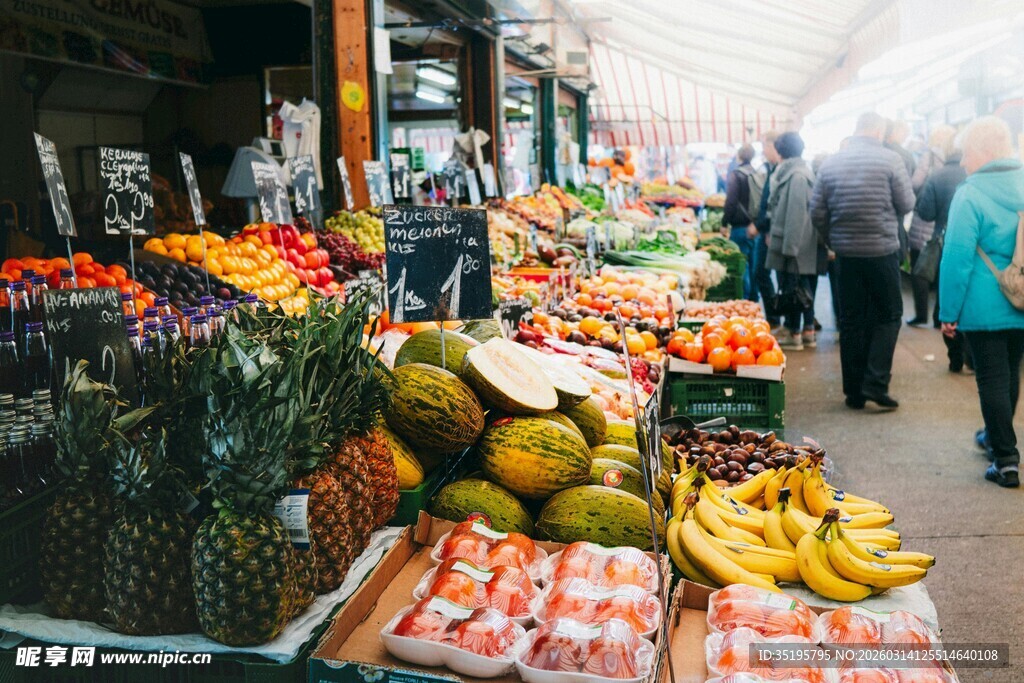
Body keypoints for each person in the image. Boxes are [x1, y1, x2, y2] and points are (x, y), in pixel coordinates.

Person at [938, 116, 1024, 488]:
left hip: (983, 303)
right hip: (1021, 299)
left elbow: (956, 257)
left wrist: (948, 312)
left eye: (967, 153)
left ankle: (1005, 459)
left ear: (984, 151)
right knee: (1011, 371)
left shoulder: (970, 193)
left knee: (991, 378)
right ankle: (995, 436)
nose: (962, 162)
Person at [811, 112, 915, 410]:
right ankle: (876, 382)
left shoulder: (831, 163)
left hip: (846, 255)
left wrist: (834, 239)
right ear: (879, 130)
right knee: (889, 314)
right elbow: (907, 203)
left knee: (852, 320)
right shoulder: (890, 160)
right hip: (882, 252)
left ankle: (853, 391)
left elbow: (816, 212)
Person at [916, 135, 968, 370]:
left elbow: (925, 212)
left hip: (945, 240)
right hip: (977, 246)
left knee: (946, 295)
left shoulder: (936, 176)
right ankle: (970, 356)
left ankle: (955, 357)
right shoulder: (974, 175)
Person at [765, 132, 817, 350]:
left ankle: (796, 333)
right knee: (799, 286)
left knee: (794, 287)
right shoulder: (793, 173)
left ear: (779, 150)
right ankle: (804, 332)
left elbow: (796, 215)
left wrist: (790, 249)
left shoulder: (796, 176)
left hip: (795, 244)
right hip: (794, 242)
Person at [907, 125, 958, 326]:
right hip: (948, 226)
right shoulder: (962, 165)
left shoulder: (928, 157)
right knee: (942, 272)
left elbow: (916, 183)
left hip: (926, 224)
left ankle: (921, 314)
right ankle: (939, 316)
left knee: (920, 269)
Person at [722, 144, 759, 300]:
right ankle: (754, 300)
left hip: (739, 228)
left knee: (741, 265)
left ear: (739, 156)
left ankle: (743, 300)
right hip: (755, 227)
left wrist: (724, 223)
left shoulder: (736, 175)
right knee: (754, 265)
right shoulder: (757, 174)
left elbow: (731, 202)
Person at [753, 132, 781, 328]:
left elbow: (774, 205)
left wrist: (764, 227)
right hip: (767, 231)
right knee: (763, 274)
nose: (763, 150)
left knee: (763, 274)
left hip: (771, 233)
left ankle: (776, 318)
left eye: (765, 146)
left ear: (774, 146)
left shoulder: (780, 171)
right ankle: (774, 316)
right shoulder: (772, 169)